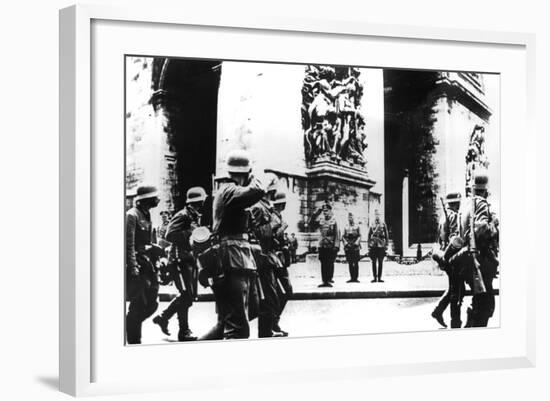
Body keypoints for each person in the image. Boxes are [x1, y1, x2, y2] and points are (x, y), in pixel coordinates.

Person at [201, 149, 265, 340]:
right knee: (237, 328)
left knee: (226, 324)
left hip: (235, 260)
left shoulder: (229, 192)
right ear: (245, 173)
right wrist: (255, 177)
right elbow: (257, 191)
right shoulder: (229, 190)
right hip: (232, 261)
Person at [151, 187, 207, 341]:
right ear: (197, 201)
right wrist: (190, 234)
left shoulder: (194, 216)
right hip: (179, 260)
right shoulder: (183, 215)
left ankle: (168, 321)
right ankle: (180, 328)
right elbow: (170, 234)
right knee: (186, 295)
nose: (202, 203)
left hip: (189, 259)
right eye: (201, 201)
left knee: (189, 296)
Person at [458, 172, 499, 328]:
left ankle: (471, 325)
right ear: (485, 190)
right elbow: (481, 230)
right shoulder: (481, 204)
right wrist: (493, 225)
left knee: (480, 302)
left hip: (470, 261)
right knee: (486, 305)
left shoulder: (467, 204)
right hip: (481, 261)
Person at [249, 173, 284, 338]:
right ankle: (265, 332)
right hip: (262, 258)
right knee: (268, 297)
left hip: (270, 257)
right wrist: (274, 225)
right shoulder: (257, 207)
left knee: (276, 295)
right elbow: (256, 234)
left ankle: (268, 329)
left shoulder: (266, 207)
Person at [125, 185, 161, 344]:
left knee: (152, 303)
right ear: (147, 199)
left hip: (147, 264)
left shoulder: (146, 214)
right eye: (155, 197)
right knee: (138, 303)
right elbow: (129, 244)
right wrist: (133, 268)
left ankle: (132, 324)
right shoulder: (132, 215)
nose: (158, 199)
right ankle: (134, 340)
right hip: (138, 265)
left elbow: (148, 241)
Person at [431, 192, 464, 328]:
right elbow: (457, 239)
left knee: (456, 287)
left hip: (444, 255)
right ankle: (455, 321)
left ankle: (438, 311)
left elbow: (439, 238)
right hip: (452, 257)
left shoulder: (443, 217)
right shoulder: (454, 217)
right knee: (456, 290)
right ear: (456, 203)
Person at [272, 191, 293, 336]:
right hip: (274, 258)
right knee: (281, 291)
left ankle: (274, 321)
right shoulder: (273, 216)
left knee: (286, 291)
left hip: (280, 258)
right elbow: (271, 236)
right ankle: (272, 323)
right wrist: (283, 227)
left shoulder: (278, 215)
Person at [309, 203, 340, 287]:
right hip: (322, 245)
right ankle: (324, 281)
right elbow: (311, 225)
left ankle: (328, 280)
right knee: (323, 263)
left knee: (329, 263)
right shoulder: (321, 220)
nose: (325, 212)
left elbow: (337, 234)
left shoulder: (334, 221)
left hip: (330, 246)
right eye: (323, 211)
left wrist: (336, 246)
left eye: (326, 211)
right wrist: (315, 214)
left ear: (330, 211)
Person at [368, 210, 389, 283]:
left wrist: (386, 245)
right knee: (373, 261)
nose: (377, 215)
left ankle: (379, 278)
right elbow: (369, 234)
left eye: (378, 214)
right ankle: (374, 277)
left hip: (381, 245)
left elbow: (386, 235)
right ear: (374, 215)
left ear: (380, 215)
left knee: (380, 261)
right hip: (374, 245)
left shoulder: (383, 223)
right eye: (376, 214)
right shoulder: (372, 223)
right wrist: (369, 245)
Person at [342, 212, 361, 283]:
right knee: (350, 262)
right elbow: (343, 236)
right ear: (348, 218)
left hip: (355, 246)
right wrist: (346, 244)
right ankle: (351, 277)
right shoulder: (345, 226)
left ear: (353, 218)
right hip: (348, 246)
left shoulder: (357, 226)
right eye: (349, 217)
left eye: (351, 217)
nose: (350, 219)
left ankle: (355, 278)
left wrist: (356, 243)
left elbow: (360, 235)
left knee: (355, 262)